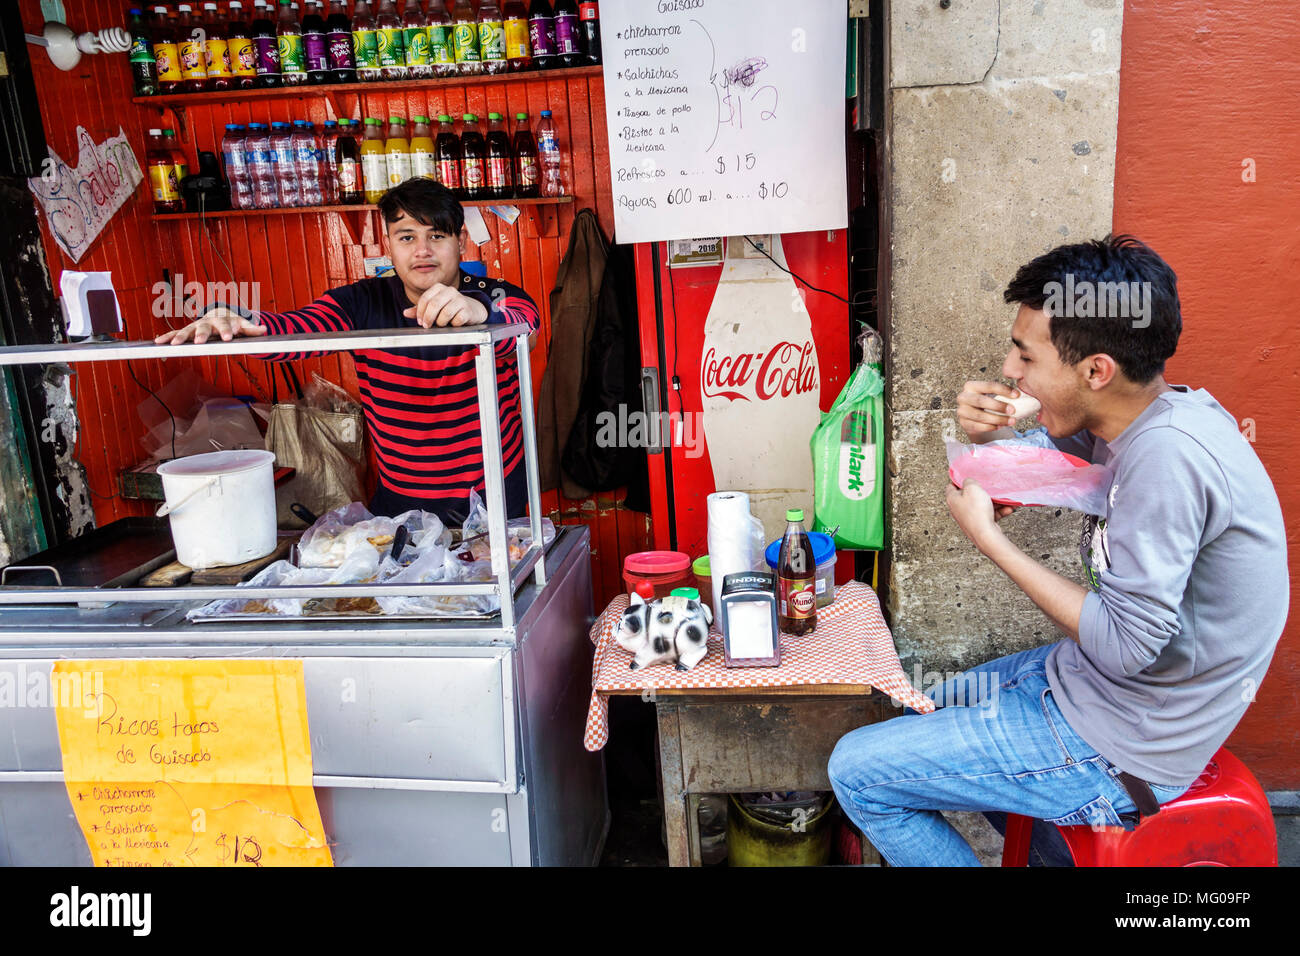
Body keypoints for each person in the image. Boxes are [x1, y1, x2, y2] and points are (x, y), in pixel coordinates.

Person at [828, 235, 1289, 866]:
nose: (1010, 371)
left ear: (1096, 371)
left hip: (1127, 741)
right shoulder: (1144, 419)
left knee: (857, 772)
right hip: (1084, 685)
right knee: (923, 708)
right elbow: (1060, 463)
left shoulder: (1169, 459)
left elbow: (1127, 647)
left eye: (1025, 355)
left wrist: (990, 542)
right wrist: (994, 429)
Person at [155, 179, 540, 526]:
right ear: (388, 245)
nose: (422, 251)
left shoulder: (496, 296)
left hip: (492, 493)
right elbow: (297, 330)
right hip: (401, 497)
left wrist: (480, 314)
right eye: (406, 237)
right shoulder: (360, 302)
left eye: (436, 235)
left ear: (460, 241)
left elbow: (525, 330)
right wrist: (238, 321)